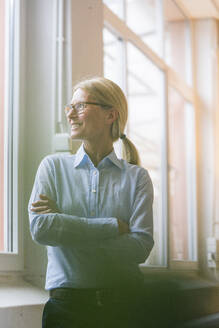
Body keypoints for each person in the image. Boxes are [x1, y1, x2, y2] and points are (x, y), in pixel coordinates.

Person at [28, 76, 154, 328]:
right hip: (65, 310)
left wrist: (65, 228)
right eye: (69, 107)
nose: (71, 114)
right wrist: (112, 227)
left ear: (111, 115)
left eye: (81, 106)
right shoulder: (52, 167)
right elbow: (42, 229)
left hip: (125, 307)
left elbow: (140, 247)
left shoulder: (137, 177)